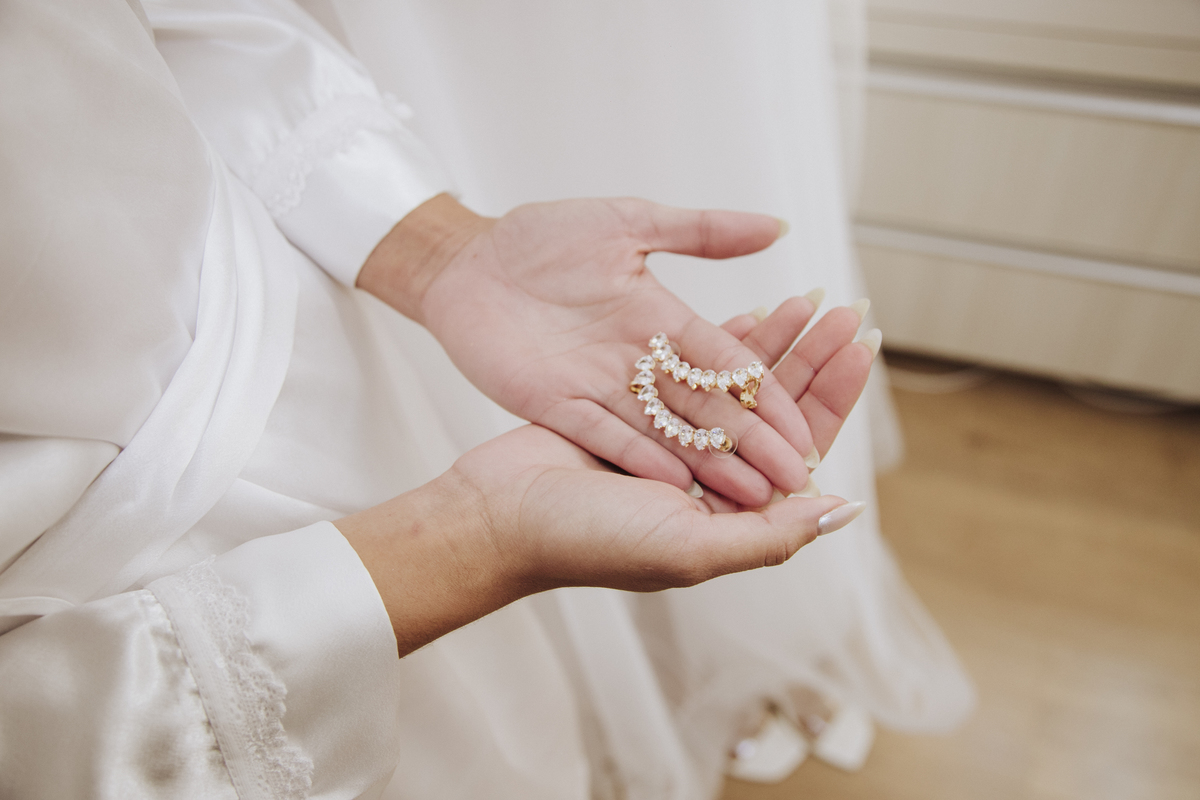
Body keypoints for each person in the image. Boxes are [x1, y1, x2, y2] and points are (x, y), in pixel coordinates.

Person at [0, 0, 878, 797]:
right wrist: (475, 540)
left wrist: (436, 248)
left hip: (290, 345)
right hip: (105, 605)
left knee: (490, 719)